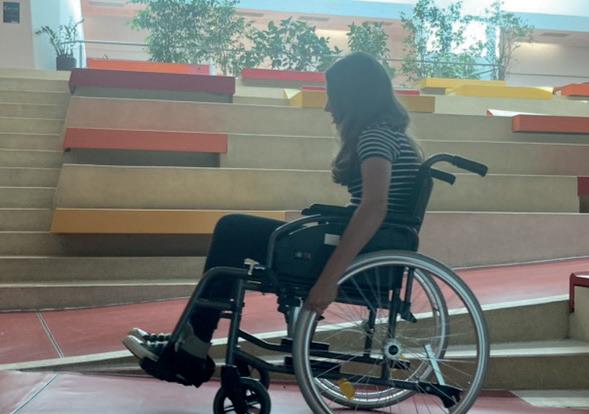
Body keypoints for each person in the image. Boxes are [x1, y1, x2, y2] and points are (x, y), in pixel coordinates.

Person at [123, 52, 422, 386]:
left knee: (233, 230)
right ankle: (190, 343)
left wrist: (329, 279)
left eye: (333, 97)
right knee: (235, 231)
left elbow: (374, 208)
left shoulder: (375, 138)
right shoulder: (388, 135)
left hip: (356, 251)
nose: (328, 108)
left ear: (354, 98)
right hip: (362, 244)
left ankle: (191, 348)